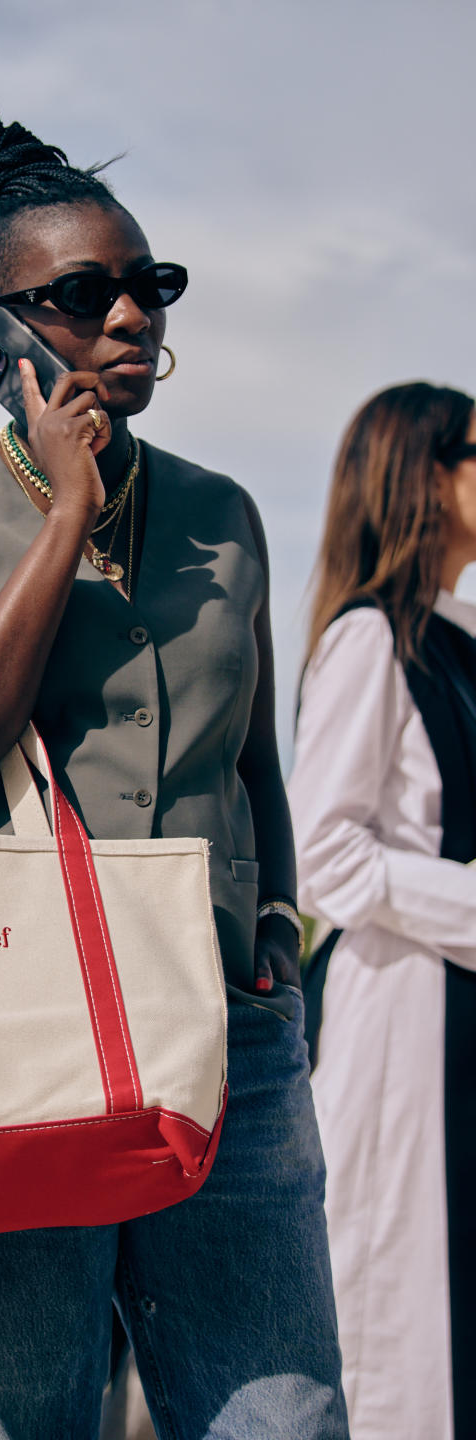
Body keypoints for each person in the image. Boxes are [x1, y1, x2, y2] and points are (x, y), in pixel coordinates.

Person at [0, 112, 347, 1440]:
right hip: (12, 1027)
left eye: (150, 285)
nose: (129, 314)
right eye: (82, 294)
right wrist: (63, 514)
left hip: (227, 1028)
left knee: (283, 1419)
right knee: (28, 1419)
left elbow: (255, 761)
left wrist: (276, 943)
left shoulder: (220, 509)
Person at [288, 382, 476, 1440]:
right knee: (405, 1323)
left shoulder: (466, 635)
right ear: (425, 472)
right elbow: (328, 857)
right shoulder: (370, 640)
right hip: (407, 1017)